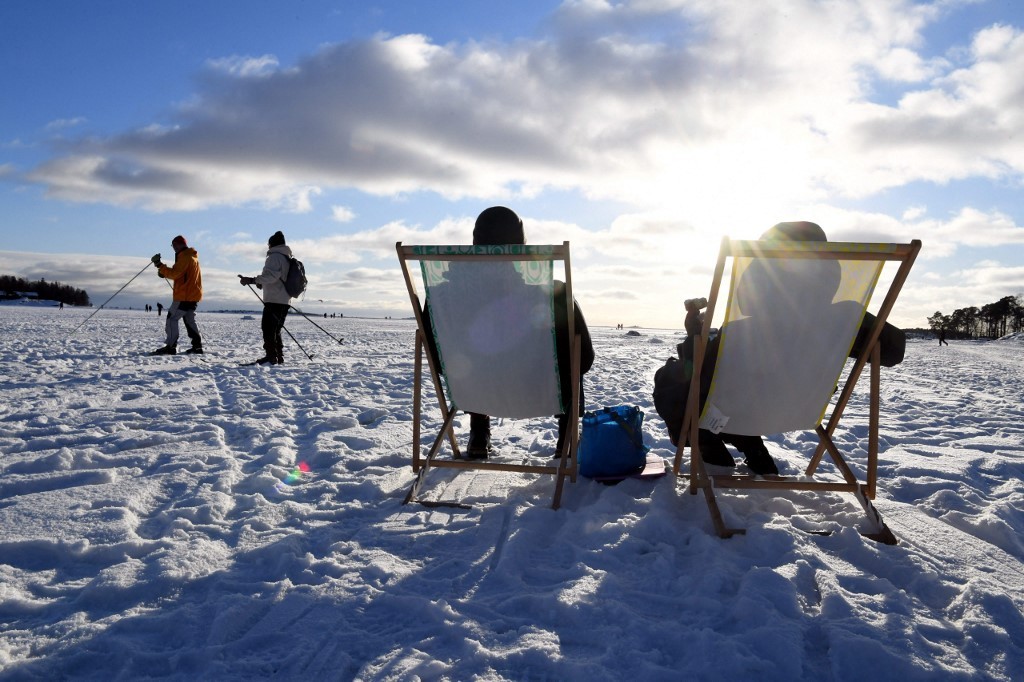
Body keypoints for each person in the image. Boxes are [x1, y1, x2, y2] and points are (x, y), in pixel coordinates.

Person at [655, 221, 907, 476]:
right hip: (803, 409)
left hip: (744, 407)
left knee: (671, 382)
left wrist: (694, 337)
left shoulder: (740, 332)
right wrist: (852, 320)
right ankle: (754, 451)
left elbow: (698, 379)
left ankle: (715, 456)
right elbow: (893, 352)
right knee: (714, 390)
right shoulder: (845, 319)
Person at [422, 206, 595, 459]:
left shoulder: (441, 297)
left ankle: (479, 435)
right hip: (537, 385)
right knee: (571, 348)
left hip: (472, 385)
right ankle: (566, 437)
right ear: (520, 247)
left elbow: (438, 361)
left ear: (475, 242)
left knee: (474, 361)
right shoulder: (552, 297)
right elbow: (585, 359)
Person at [239, 230, 293, 365]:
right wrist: (261, 283)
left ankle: (271, 357)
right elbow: (277, 278)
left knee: (268, 329)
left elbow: (271, 276)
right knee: (275, 330)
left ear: (272, 244)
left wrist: (252, 280)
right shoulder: (286, 257)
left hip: (274, 299)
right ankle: (277, 357)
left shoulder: (275, 256)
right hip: (283, 299)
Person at [150, 235, 203, 355]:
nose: (173, 248)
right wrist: (164, 272)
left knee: (172, 318)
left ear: (178, 244)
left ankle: (170, 346)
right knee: (189, 320)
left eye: (173, 245)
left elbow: (175, 274)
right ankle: (197, 347)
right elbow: (181, 275)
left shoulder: (185, 257)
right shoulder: (192, 257)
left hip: (184, 296)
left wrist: (159, 265)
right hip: (192, 296)